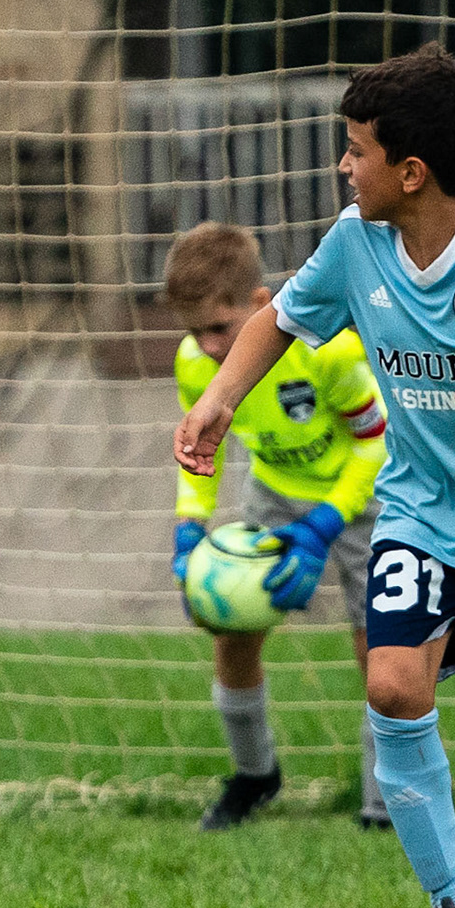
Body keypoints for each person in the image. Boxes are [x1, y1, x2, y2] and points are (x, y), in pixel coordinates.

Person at [175, 43, 455, 908]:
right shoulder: (354, 245)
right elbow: (277, 318)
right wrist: (219, 401)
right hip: (417, 512)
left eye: (357, 149)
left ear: (411, 172)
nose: (344, 165)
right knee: (390, 685)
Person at [163, 222, 390, 831]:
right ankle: (254, 775)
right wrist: (190, 526)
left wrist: (324, 527)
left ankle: (383, 804)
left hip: (364, 498)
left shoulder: (328, 351)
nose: (208, 346)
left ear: (260, 305)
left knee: (382, 657)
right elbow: (202, 452)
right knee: (231, 634)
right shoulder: (193, 363)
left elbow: (377, 443)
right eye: (195, 331)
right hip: (272, 494)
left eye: (220, 327)